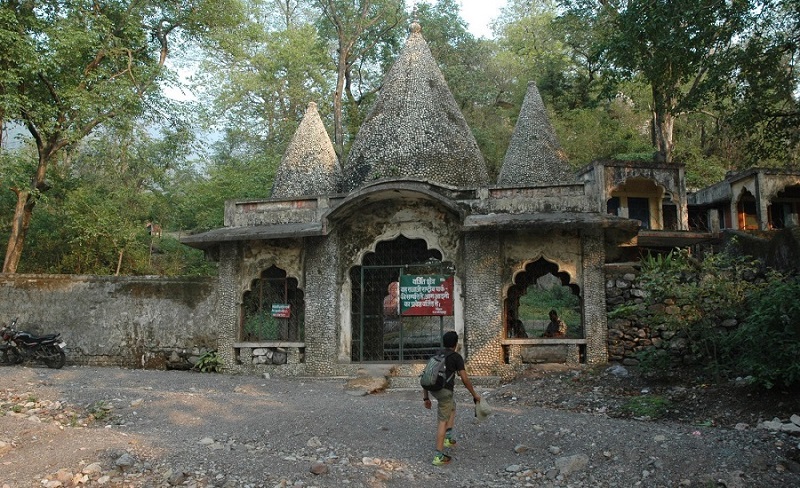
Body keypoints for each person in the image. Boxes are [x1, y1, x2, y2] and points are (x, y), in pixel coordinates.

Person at [422, 330, 481, 466]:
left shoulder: (437, 354)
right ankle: (438, 456)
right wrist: (475, 395)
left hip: (432, 389)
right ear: (455, 344)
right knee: (442, 420)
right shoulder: (456, 357)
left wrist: (426, 398)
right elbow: (465, 380)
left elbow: (426, 375)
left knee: (452, 406)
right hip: (444, 392)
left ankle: (448, 437)